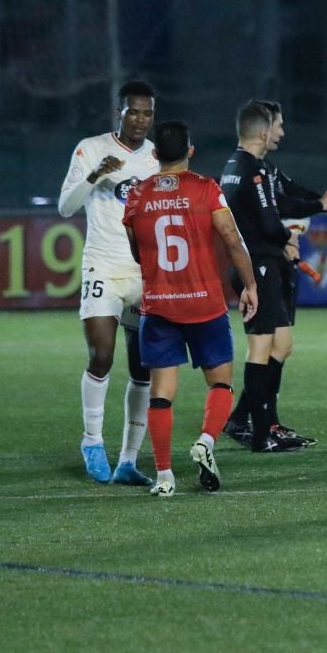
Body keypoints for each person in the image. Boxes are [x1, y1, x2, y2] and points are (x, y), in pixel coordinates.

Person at [119, 120, 261, 497]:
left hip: (159, 306)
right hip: (205, 304)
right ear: (190, 151)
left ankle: (164, 476)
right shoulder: (206, 189)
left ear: (154, 155)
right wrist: (250, 284)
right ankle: (206, 442)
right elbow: (232, 238)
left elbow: (137, 251)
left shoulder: (137, 196)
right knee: (221, 383)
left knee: (161, 394)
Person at [218, 99, 327, 452]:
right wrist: (289, 236)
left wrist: (326, 202)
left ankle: (253, 421)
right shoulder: (253, 170)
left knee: (280, 345)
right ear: (263, 131)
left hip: (259, 262)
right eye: (278, 125)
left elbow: (285, 198)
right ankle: (262, 433)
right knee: (261, 348)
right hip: (258, 265)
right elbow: (269, 220)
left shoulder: (238, 166)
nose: (282, 131)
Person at [56, 79, 159, 484]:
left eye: (147, 112)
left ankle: (129, 461)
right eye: (133, 111)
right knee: (102, 355)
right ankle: (92, 441)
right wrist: (96, 175)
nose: (139, 119)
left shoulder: (155, 158)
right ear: (120, 113)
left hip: (143, 273)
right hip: (102, 266)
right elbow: (66, 206)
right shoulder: (91, 148)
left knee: (143, 368)